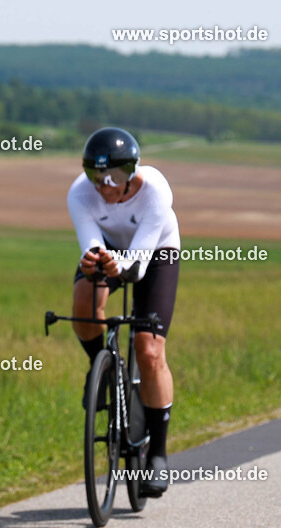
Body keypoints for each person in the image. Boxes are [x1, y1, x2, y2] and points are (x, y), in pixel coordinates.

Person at [67, 127, 179, 497]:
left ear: (132, 171)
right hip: (111, 249)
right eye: (95, 175)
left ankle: (158, 453)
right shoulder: (79, 193)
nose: (105, 185)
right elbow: (91, 244)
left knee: (149, 349)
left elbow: (139, 265)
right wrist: (94, 260)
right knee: (83, 302)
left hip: (156, 252)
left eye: (114, 175)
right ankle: (99, 366)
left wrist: (122, 264)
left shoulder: (155, 191)